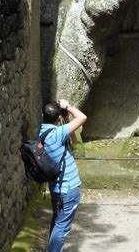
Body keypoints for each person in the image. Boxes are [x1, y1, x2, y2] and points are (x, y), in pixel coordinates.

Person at [40, 99, 87, 252]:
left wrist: (66, 118)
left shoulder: (42, 132)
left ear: (43, 116)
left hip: (57, 187)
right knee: (61, 228)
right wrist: (68, 107)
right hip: (68, 188)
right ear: (58, 118)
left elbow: (73, 142)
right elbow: (82, 118)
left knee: (57, 223)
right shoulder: (57, 133)